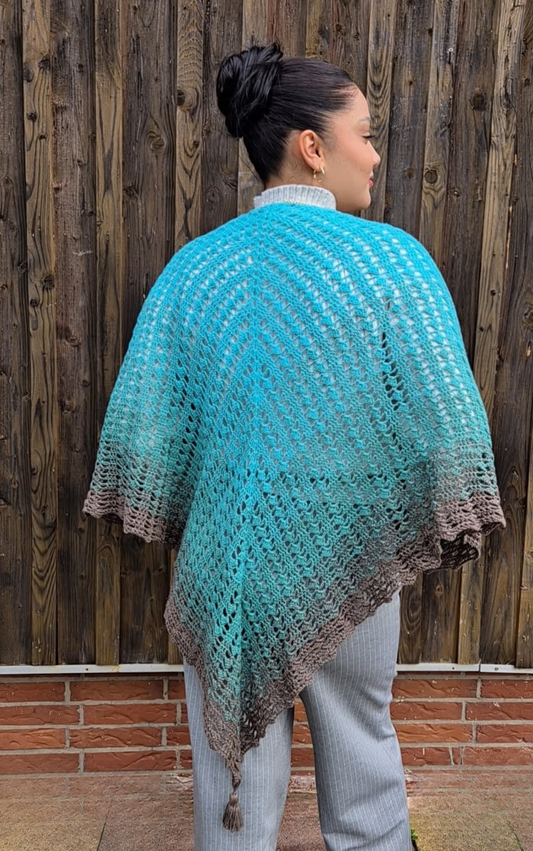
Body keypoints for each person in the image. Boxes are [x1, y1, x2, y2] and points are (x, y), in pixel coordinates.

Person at [83, 41, 506, 851]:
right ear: (313, 145)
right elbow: (446, 418)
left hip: (223, 566)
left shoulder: (194, 271)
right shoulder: (389, 262)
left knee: (230, 779)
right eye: (364, 134)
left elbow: (146, 427)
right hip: (348, 556)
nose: (373, 154)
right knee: (363, 758)